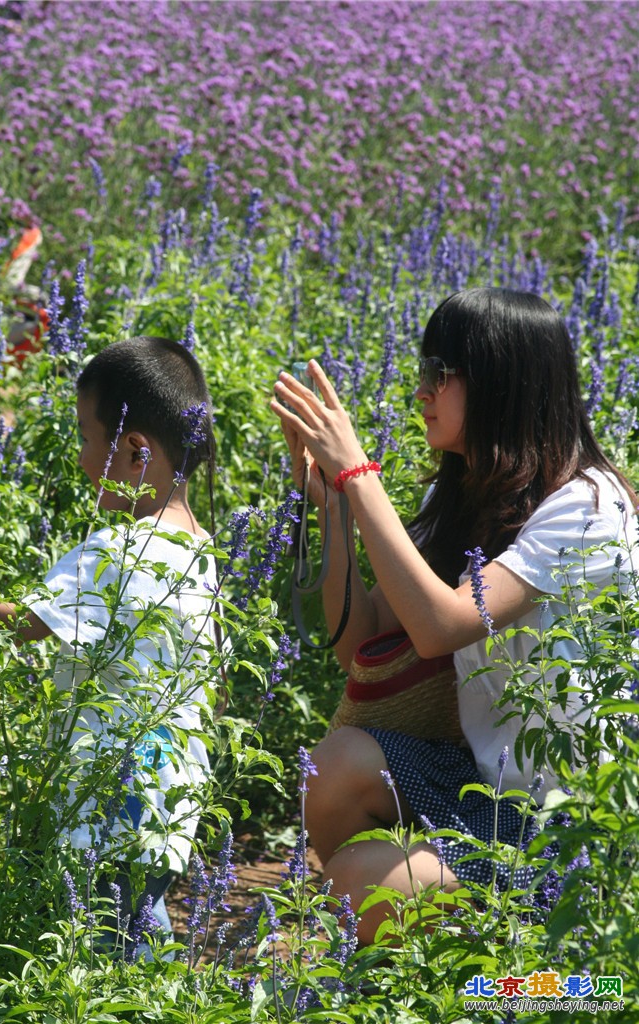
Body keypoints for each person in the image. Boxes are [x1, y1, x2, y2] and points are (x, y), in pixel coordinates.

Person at [271, 287, 638, 946]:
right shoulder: (466, 491)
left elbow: (444, 623)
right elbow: (360, 640)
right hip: (484, 792)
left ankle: (510, 969)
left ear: (502, 383)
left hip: (573, 828)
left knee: (362, 882)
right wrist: (329, 503)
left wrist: (359, 474)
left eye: (438, 374)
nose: (421, 391)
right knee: (333, 771)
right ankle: (429, 950)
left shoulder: (587, 508)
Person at [0, 335, 220, 953]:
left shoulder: (112, 554)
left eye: (89, 439)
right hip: (171, 797)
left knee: (106, 940)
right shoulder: (202, 551)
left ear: (135, 451)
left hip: (108, 799)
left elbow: (25, 623)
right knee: (139, 922)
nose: (83, 458)